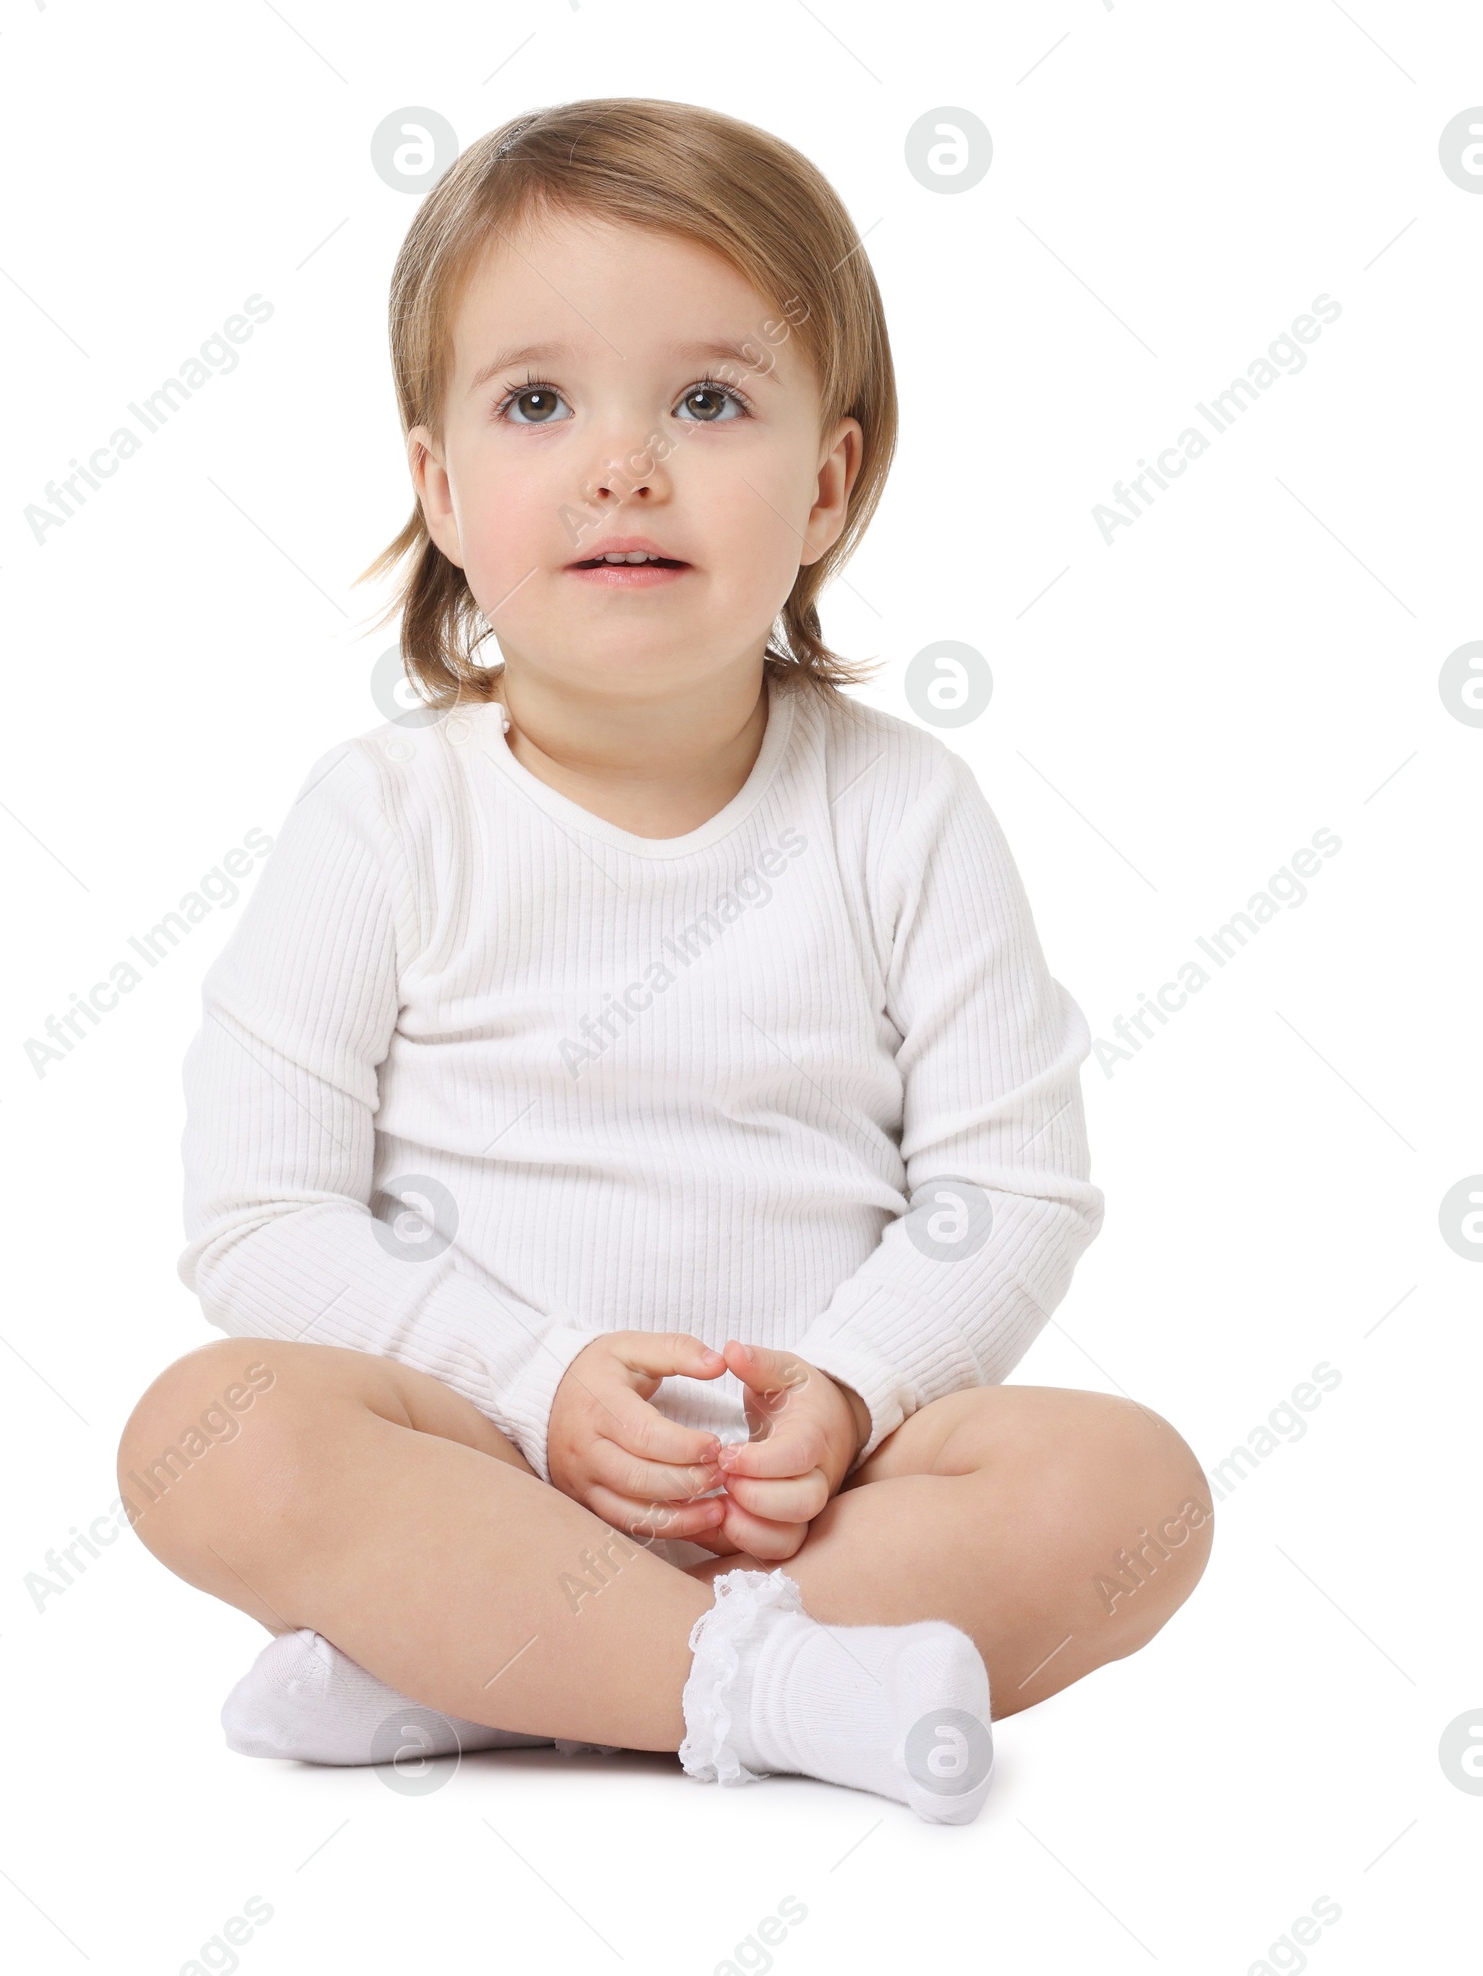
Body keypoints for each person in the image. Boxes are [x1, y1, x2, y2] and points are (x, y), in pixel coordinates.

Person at [116, 97, 1212, 1825]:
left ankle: (490, 1676)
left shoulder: (903, 811)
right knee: (213, 1425)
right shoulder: (383, 819)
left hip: (810, 1501)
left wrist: (852, 1392)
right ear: (444, 488)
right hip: (479, 1463)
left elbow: (1013, 1183)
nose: (624, 461)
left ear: (829, 481)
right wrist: (534, 1386)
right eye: (538, 402)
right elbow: (261, 1220)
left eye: (710, 401)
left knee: (1131, 1489)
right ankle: (755, 1686)